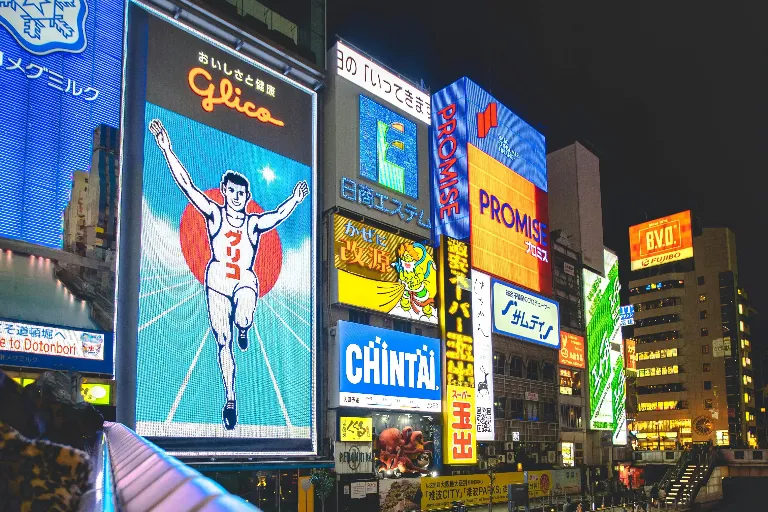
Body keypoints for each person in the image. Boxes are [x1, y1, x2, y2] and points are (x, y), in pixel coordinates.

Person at [149, 119, 309, 430]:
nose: (236, 196)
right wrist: (167, 148)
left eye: (242, 193)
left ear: (248, 197)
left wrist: (296, 199)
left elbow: (276, 216)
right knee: (222, 340)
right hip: (218, 278)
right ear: (224, 191)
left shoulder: (252, 223)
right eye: (232, 191)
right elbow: (187, 186)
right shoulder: (214, 214)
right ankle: (230, 397)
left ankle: (245, 326)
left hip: (245, 280)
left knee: (243, 317)